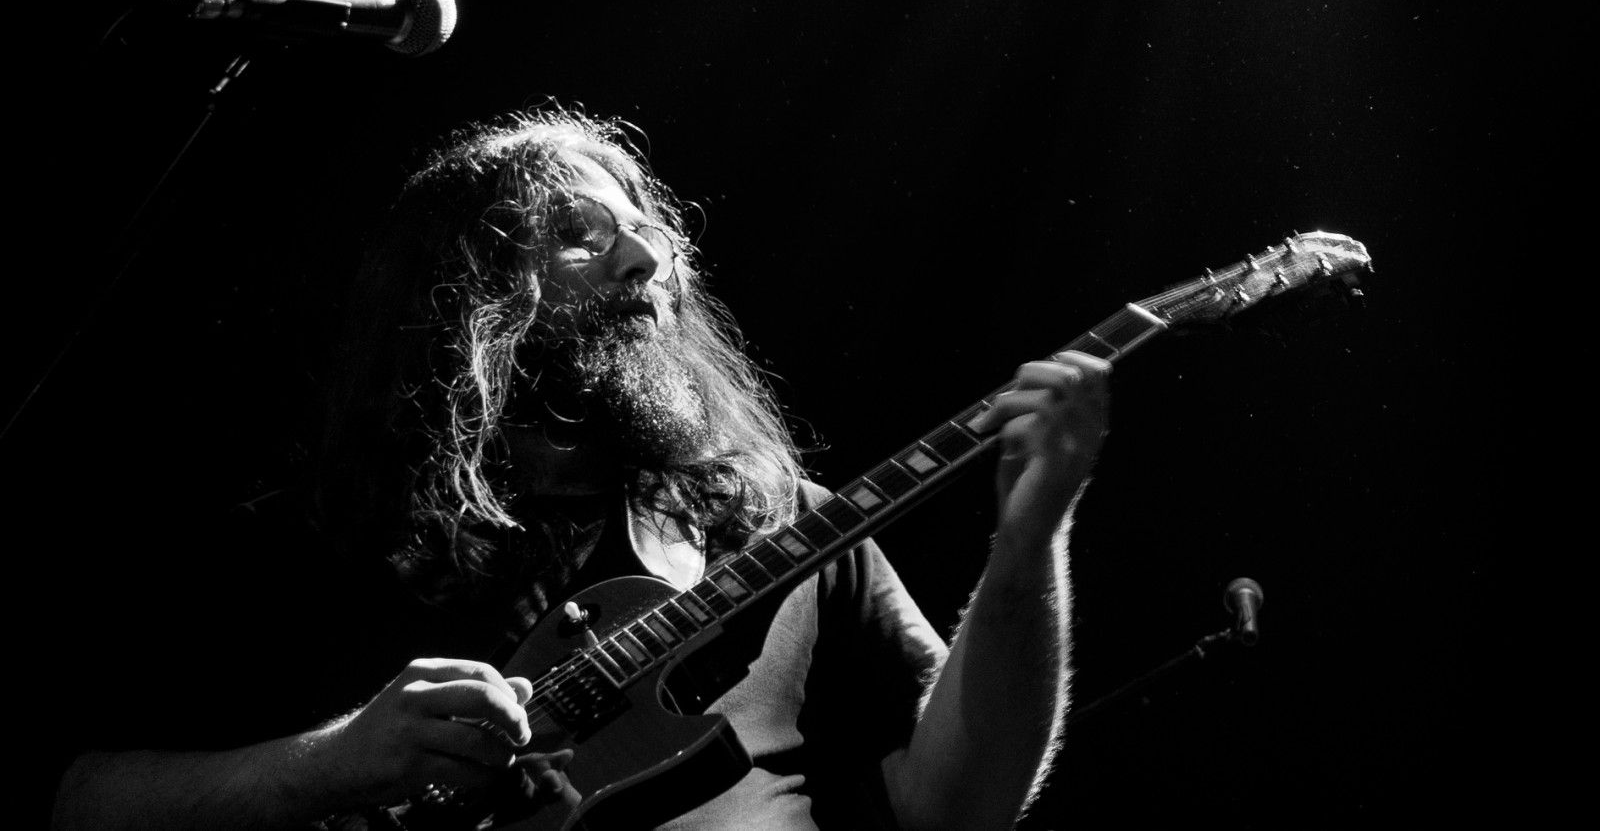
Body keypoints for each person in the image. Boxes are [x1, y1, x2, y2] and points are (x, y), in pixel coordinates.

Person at [51, 108, 1110, 831]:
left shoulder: (779, 522)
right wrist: (329, 763)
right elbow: (83, 800)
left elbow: (959, 805)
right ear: (463, 294)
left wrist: (1028, 545)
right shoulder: (322, 534)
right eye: (577, 236)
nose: (645, 259)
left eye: (646, 233)